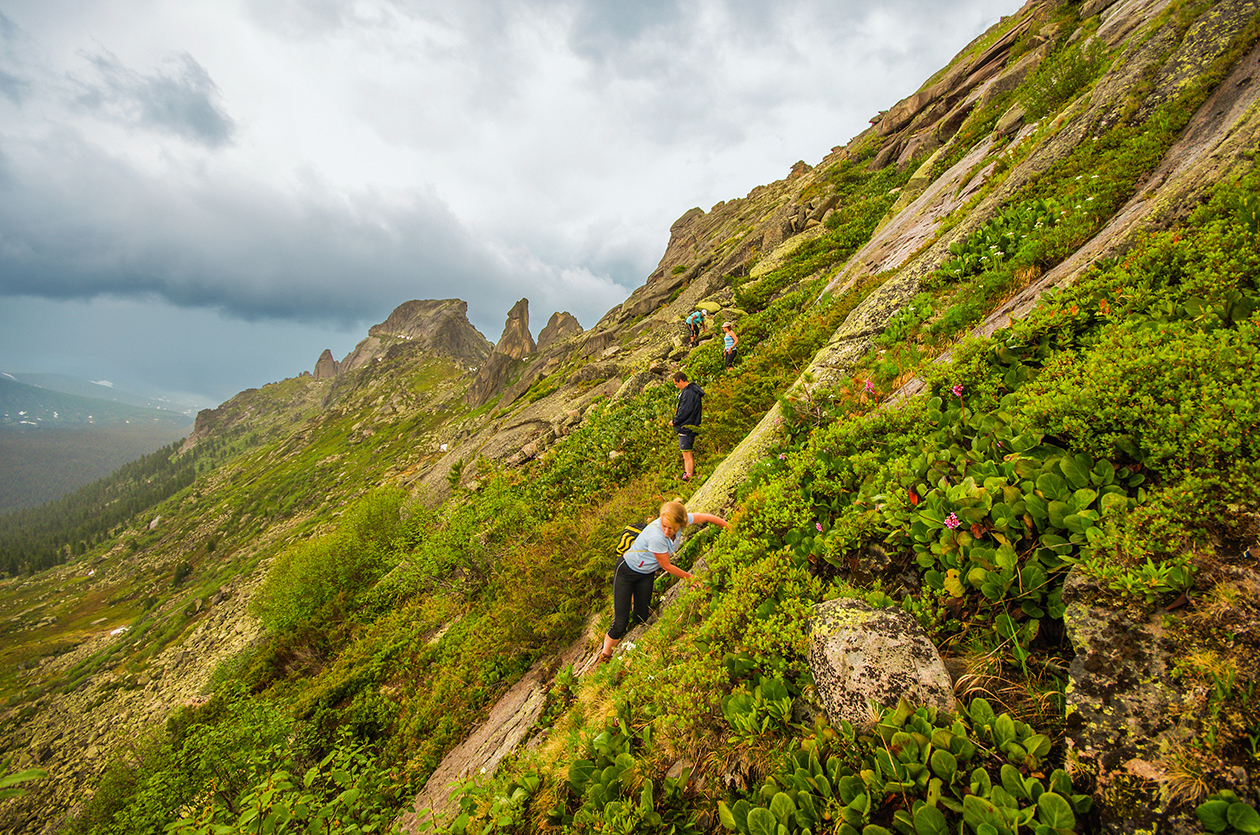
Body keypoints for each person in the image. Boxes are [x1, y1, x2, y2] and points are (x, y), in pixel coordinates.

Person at [598, 500, 728, 664]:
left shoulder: (681, 520)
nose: (666, 530)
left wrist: (729, 526)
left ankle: (630, 627)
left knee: (641, 617)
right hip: (626, 572)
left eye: (671, 528)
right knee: (620, 622)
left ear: (680, 523)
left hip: (646, 573)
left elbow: (708, 517)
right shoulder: (657, 536)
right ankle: (605, 655)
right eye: (664, 525)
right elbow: (666, 566)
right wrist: (692, 579)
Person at [669, 371, 703, 481]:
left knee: (686, 454)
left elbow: (685, 411)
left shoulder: (688, 393)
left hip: (686, 427)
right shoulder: (693, 390)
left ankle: (688, 476)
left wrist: (675, 421)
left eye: (676, 384)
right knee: (687, 453)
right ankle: (688, 474)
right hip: (692, 424)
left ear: (681, 381)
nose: (676, 386)